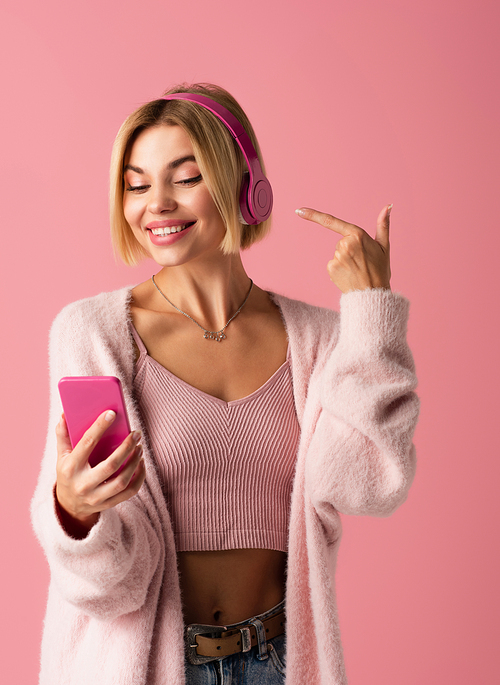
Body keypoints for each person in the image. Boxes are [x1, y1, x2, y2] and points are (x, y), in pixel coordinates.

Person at [31, 83, 419, 685]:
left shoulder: (319, 340)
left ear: (246, 186)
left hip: (279, 662)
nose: (155, 204)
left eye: (184, 178)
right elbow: (107, 586)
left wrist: (370, 311)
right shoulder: (93, 333)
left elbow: (369, 485)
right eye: (136, 184)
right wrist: (75, 513)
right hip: (143, 667)